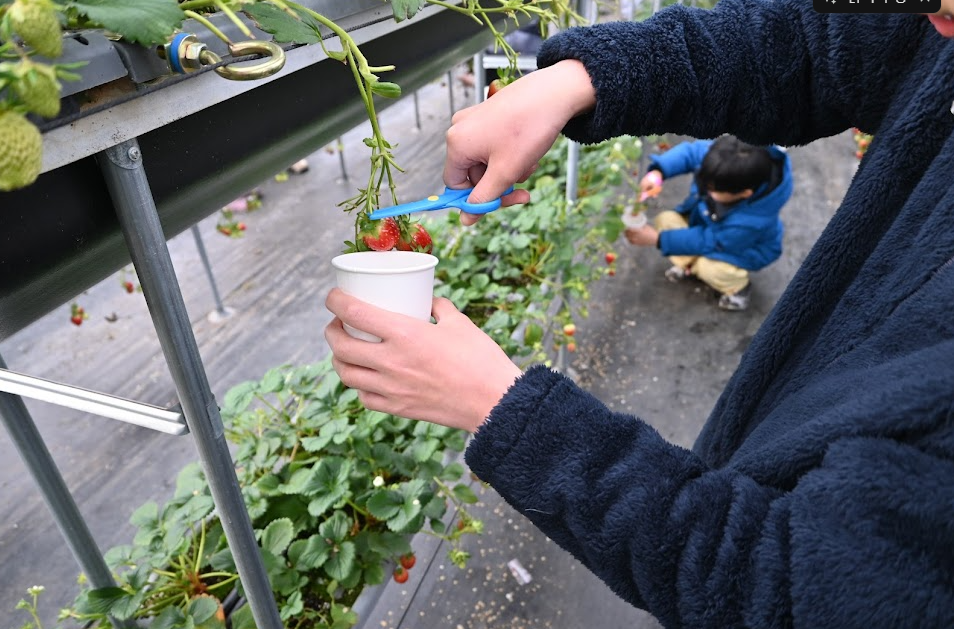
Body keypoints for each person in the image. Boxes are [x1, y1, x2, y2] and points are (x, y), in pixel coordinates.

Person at [325, 1, 954, 627]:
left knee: (709, 257)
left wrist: (500, 407)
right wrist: (584, 78)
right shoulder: (935, 24)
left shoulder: (760, 219)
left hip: (741, 280)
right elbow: (813, 41)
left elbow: (786, 587)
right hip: (786, 414)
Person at [625, 135, 793, 311]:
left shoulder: (752, 221)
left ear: (744, 193)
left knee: (709, 268)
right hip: (708, 224)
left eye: (714, 190)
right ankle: (689, 263)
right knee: (665, 221)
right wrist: (658, 172)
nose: (706, 189)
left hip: (739, 248)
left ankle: (737, 288)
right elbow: (690, 153)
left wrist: (658, 240)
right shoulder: (725, 158)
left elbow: (711, 240)